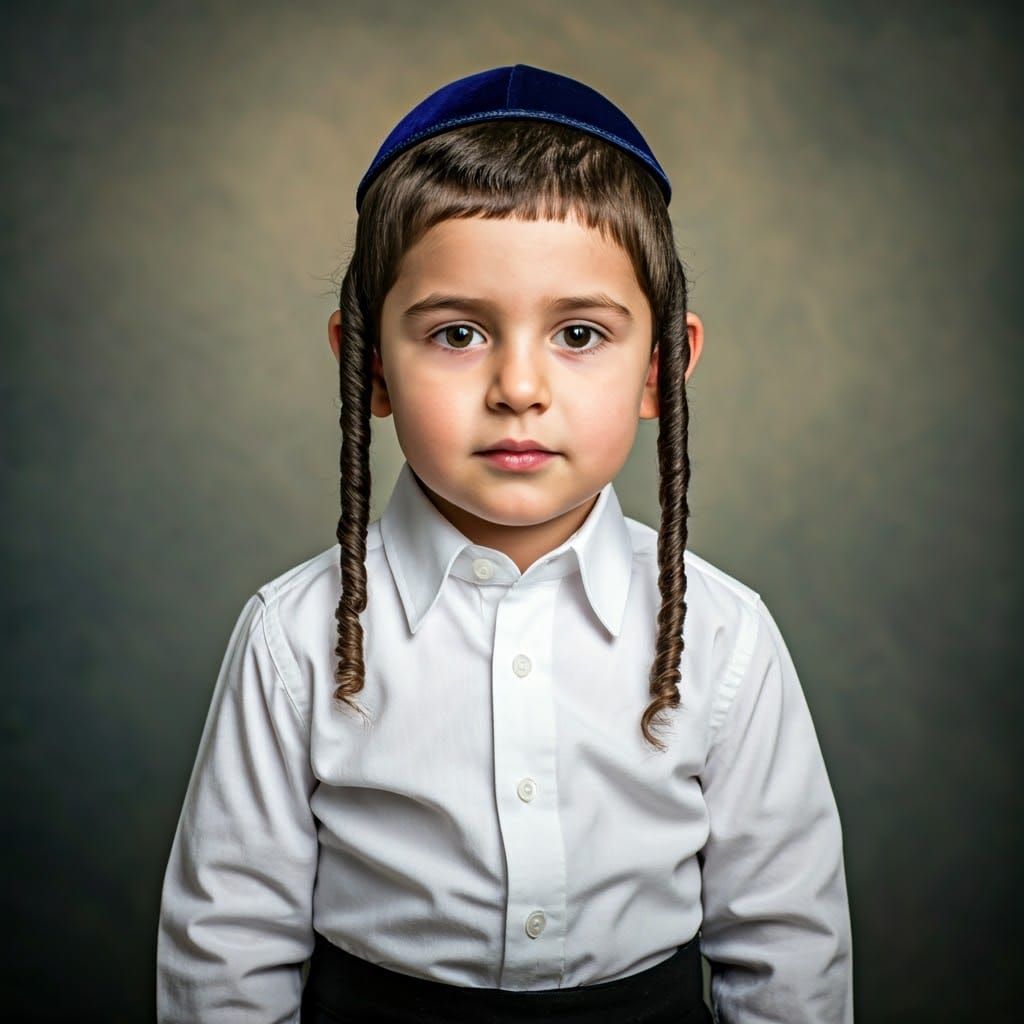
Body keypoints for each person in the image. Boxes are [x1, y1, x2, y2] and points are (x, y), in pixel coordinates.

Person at [156, 64, 853, 1023]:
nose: (519, 388)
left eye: (579, 333)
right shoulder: (295, 637)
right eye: (456, 334)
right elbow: (226, 945)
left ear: (660, 370)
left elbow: (789, 945)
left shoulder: (725, 636)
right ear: (369, 366)